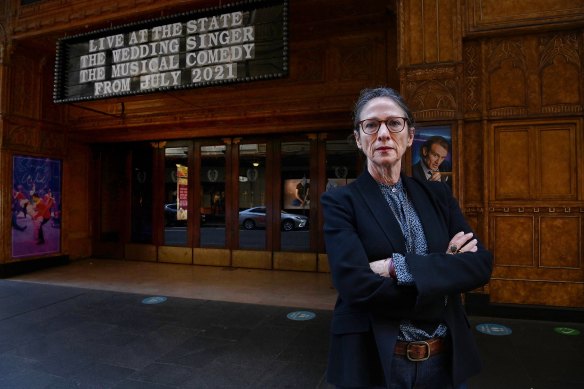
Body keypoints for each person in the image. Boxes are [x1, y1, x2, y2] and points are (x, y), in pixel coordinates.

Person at [320, 87, 492, 389]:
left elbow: (479, 264)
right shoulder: (340, 202)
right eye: (371, 125)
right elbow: (353, 284)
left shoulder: (438, 194)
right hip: (375, 361)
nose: (383, 133)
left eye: (394, 123)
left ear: (410, 136)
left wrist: (393, 268)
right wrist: (442, 276)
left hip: (444, 359)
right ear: (359, 140)